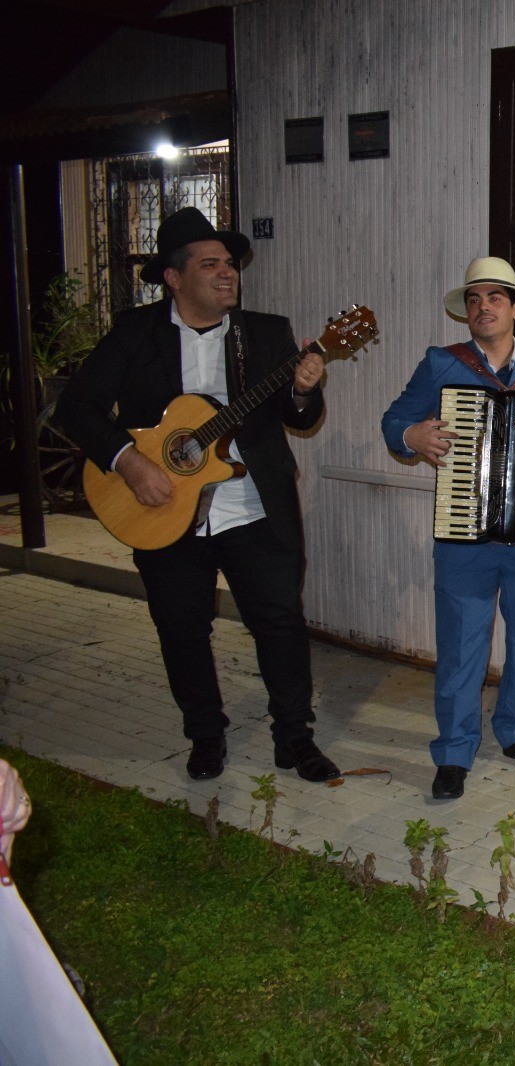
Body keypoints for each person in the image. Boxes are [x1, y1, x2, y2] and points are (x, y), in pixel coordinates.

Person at [55, 207, 339, 783]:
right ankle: (205, 735)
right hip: (160, 507)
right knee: (182, 629)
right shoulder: (136, 333)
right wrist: (129, 462)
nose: (227, 272)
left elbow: (297, 417)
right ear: (174, 277)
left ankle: (294, 738)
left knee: (280, 623)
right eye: (210, 264)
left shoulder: (265, 333)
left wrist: (305, 390)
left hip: (251, 506)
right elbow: (75, 409)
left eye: (231, 264)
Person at [382, 257, 515, 800]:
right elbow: (394, 421)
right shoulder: (442, 364)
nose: (484, 307)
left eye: (495, 298)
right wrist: (413, 436)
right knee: (461, 645)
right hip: (465, 533)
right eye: (475, 299)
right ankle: (455, 751)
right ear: (467, 312)